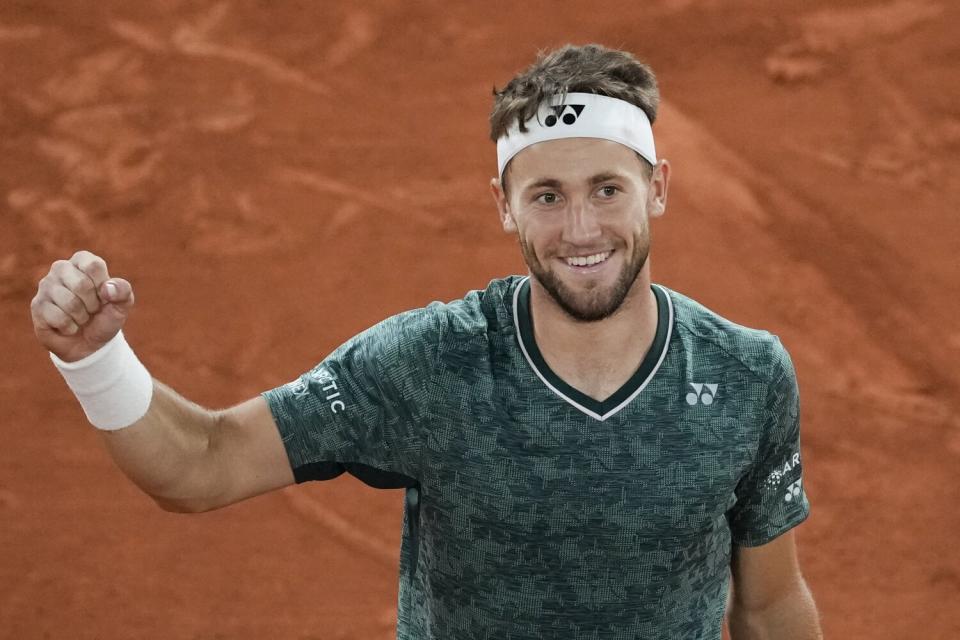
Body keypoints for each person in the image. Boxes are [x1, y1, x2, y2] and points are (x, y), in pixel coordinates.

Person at [31, 44, 822, 639]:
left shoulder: (747, 374)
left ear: (658, 188)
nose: (582, 230)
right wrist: (96, 358)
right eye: (546, 196)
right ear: (504, 207)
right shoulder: (429, 366)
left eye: (607, 189)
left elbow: (770, 603)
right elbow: (200, 467)